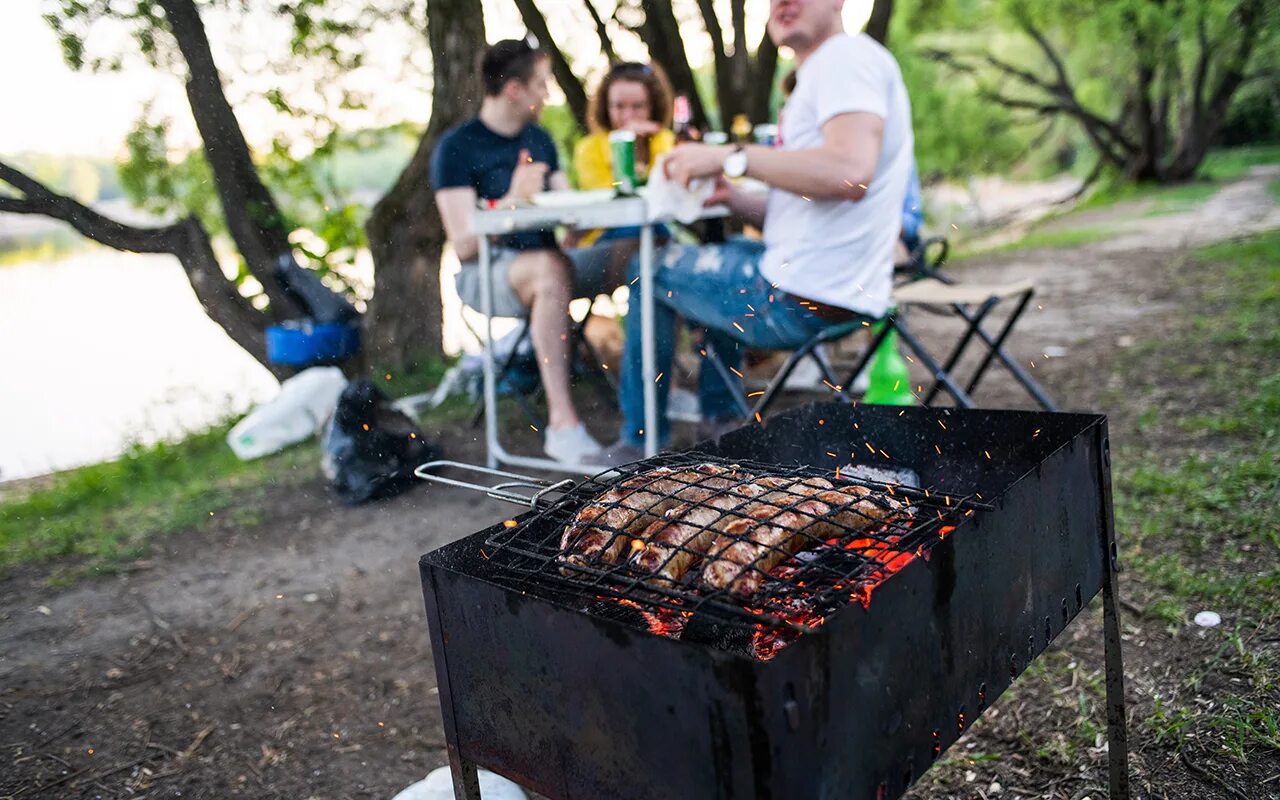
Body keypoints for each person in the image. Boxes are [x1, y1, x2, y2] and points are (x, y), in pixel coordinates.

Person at [603, 0, 915, 461]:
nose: (782, 2)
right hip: (840, 292)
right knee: (719, 255)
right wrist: (733, 197)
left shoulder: (843, 59)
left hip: (800, 297)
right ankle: (722, 426)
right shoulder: (835, 69)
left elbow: (850, 173)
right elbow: (811, 207)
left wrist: (733, 156)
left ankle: (641, 440)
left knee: (646, 267)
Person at [430, 38, 628, 463]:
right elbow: (464, 245)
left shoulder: (539, 139)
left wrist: (595, 212)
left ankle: (660, 392)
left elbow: (566, 205)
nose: (547, 94)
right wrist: (511, 204)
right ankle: (562, 426)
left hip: (553, 260)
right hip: (486, 272)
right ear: (515, 89)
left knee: (640, 249)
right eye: (541, 84)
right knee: (549, 269)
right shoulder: (457, 148)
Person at [574, 62, 677, 192]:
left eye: (638, 106)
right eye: (619, 106)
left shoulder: (667, 140)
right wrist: (625, 144)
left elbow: (669, 185)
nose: (628, 116)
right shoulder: (588, 149)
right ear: (606, 108)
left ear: (653, 107)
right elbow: (606, 194)